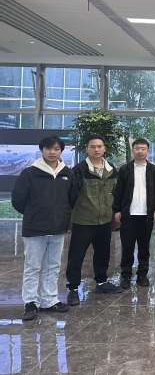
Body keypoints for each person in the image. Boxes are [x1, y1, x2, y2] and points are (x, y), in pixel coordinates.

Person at [12, 136, 78, 320]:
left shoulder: (67, 173)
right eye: (48, 148)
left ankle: (49, 299)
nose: (52, 152)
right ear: (41, 150)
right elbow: (18, 199)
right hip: (35, 228)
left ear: (61, 151)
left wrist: (63, 215)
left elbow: (72, 198)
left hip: (58, 228)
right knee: (32, 267)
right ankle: (31, 302)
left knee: (53, 266)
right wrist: (33, 213)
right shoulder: (30, 173)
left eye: (56, 149)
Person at [66, 134, 121, 306]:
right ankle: (73, 288)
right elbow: (71, 195)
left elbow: (116, 193)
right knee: (76, 255)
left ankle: (101, 281)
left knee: (103, 253)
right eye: (92, 146)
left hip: (104, 220)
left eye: (99, 146)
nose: (96, 149)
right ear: (87, 149)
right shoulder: (79, 170)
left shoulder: (111, 169)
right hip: (84, 220)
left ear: (104, 148)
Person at [113, 138, 155, 289]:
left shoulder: (154, 170)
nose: (140, 151)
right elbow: (118, 191)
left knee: (144, 246)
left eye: (143, 149)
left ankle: (142, 274)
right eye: (137, 148)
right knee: (127, 247)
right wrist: (117, 210)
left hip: (146, 215)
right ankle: (126, 275)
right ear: (133, 150)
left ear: (148, 151)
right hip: (128, 214)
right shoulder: (125, 169)